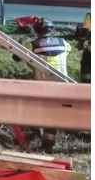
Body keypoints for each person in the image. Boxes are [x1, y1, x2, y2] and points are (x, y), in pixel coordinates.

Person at [30, 18, 71, 151]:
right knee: (53, 114)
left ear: (36, 31)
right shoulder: (63, 43)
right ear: (52, 30)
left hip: (42, 86)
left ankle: (42, 139)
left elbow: (19, 57)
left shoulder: (32, 44)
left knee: (41, 112)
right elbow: (67, 53)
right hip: (64, 85)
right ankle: (47, 142)